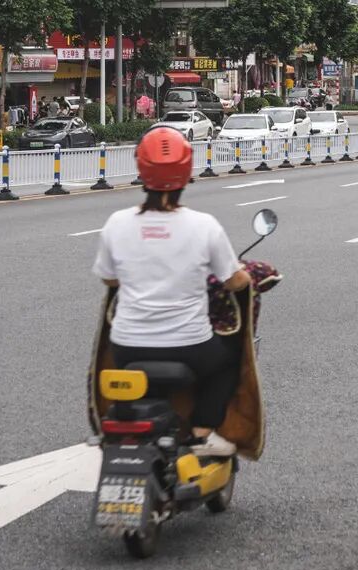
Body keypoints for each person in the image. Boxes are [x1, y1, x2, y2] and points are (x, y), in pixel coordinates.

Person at [93, 128, 251, 457]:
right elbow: (234, 281)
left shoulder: (116, 223)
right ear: (187, 171)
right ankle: (201, 434)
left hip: (126, 347)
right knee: (230, 359)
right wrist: (247, 275)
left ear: (141, 169)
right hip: (189, 346)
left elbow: (109, 280)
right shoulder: (204, 225)